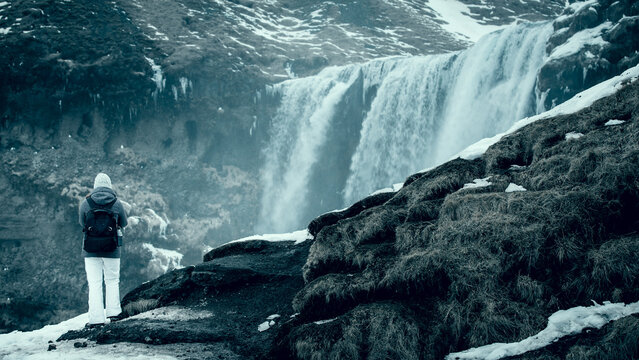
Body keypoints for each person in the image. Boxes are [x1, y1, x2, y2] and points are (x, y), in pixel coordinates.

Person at [78, 173, 128, 327]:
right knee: (112, 281)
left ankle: (96, 319)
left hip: (90, 250)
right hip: (112, 249)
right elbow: (124, 223)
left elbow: (82, 223)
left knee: (94, 284)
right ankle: (113, 313)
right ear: (109, 185)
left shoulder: (85, 203)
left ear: (95, 185)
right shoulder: (117, 203)